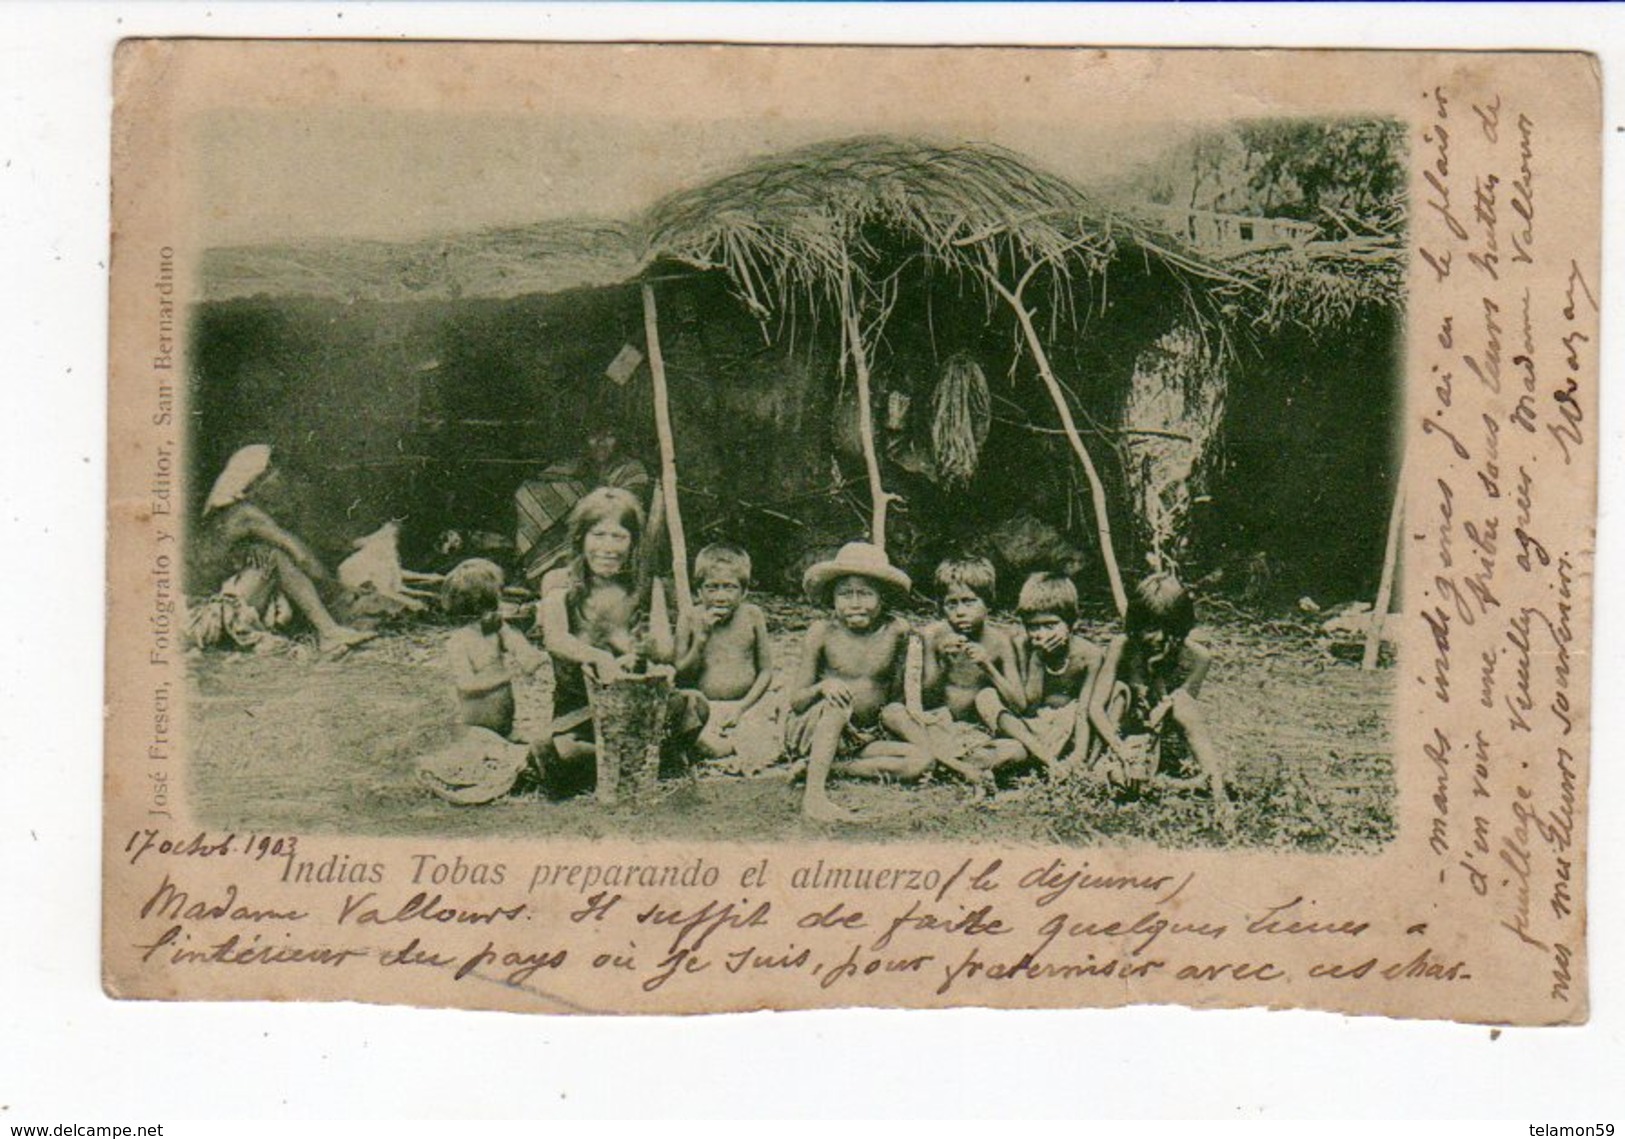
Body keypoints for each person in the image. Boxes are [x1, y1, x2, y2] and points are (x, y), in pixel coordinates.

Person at [531, 486, 707, 796]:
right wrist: (601, 657)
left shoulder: (645, 586)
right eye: (598, 535)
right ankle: (646, 756)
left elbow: (665, 653)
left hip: (636, 707)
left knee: (696, 705)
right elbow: (555, 639)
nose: (607, 547)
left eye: (619, 537)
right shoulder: (559, 583)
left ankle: (626, 756)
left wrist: (646, 647)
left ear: (633, 543)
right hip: (581, 712)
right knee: (554, 747)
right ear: (581, 538)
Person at [783, 542, 930, 822]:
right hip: (815, 728)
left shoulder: (897, 632)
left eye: (864, 593)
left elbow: (898, 696)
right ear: (832, 598)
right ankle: (814, 797)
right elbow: (797, 701)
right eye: (844, 594)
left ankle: (833, 767)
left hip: (860, 737)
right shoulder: (821, 633)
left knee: (921, 761)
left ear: (883, 598)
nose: (854, 602)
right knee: (838, 703)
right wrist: (823, 687)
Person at [187, 444, 374, 655]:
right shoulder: (247, 514)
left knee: (265, 553)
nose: (282, 480)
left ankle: (329, 629)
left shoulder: (221, 517)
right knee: (274, 556)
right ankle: (329, 633)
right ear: (256, 478)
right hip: (205, 619)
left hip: (201, 614)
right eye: (275, 474)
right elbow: (302, 557)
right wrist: (340, 589)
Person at [1089, 572, 1233, 829]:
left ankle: (1218, 791)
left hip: (1158, 736)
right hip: (1121, 733)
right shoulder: (1123, 646)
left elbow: (1179, 713)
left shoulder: (1199, 657)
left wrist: (1157, 676)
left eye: (1169, 630)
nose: (1158, 638)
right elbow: (1096, 708)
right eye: (1150, 628)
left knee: (1182, 701)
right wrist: (1119, 749)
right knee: (1121, 691)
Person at [883, 556, 1027, 785]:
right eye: (952, 603)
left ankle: (945, 765)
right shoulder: (931, 636)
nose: (960, 612)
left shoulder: (1000, 641)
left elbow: (1019, 704)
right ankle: (956, 766)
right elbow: (922, 701)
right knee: (893, 712)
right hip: (935, 727)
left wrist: (987, 666)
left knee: (1017, 751)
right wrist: (942, 662)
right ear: (942, 606)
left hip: (976, 733)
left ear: (988, 603)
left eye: (969, 602)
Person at [418, 558, 544, 805]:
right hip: (476, 727)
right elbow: (466, 684)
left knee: (533, 750)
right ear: (483, 601)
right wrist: (507, 676)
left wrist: (534, 655)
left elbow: (527, 657)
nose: (502, 602)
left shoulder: (498, 631)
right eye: (499, 596)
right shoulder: (459, 642)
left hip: (505, 724)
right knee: (481, 763)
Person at [978, 572, 1102, 775]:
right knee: (986, 696)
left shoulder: (1089, 655)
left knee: (1092, 702)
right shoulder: (1022, 645)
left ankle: (1053, 762)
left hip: (1066, 728)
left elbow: (1083, 712)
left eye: (1051, 625)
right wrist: (1037, 657)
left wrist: (1078, 756)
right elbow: (1028, 706)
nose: (1041, 634)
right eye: (1033, 626)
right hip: (1029, 729)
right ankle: (1046, 759)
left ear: (1072, 623)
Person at [675, 543, 779, 774]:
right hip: (705, 708)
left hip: (747, 706)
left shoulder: (752, 615)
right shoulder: (690, 617)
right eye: (712, 588)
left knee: (764, 737)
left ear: (744, 591)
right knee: (691, 729)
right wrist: (701, 640)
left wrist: (742, 707)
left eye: (730, 588)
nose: (721, 597)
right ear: (699, 591)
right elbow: (680, 674)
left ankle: (729, 749)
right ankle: (717, 748)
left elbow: (765, 671)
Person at [515, 417, 654, 583]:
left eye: (609, 436)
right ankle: (542, 576)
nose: (601, 443)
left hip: (614, 528)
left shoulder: (631, 469)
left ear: (619, 440)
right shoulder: (579, 464)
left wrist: (585, 507)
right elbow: (540, 484)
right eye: (594, 437)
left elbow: (627, 505)